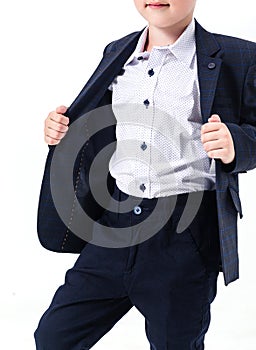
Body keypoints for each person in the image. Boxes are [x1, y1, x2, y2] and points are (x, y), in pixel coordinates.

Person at [35, 0, 256, 349]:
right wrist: (60, 130)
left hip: (185, 233)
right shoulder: (117, 53)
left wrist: (237, 144)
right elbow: (97, 126)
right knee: (54, 336)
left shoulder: (237, 56)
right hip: (114, 225)